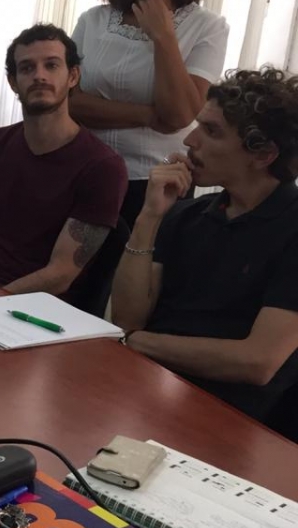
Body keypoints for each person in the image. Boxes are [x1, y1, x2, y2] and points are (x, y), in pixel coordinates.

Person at [111, 67, 298, 437]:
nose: (191, 140)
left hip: (231, 421)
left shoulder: (291, 228)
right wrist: (149, 217)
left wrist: (136, 342)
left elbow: (258, 362)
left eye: (211, 131)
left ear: (263, 153)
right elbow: (126, 315)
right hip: (148, 387)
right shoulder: (188, 213)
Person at [0, 25, 128, 300]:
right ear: (13, 82)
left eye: (51, 65)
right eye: (27, 68)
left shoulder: (103, 167)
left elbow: (60, 275)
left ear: (73, 76)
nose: (39, 76)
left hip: (38, 310)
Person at [70, 0, 229, 226]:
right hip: (84, 169)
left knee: (136, 270)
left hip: (157, 179)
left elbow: (181, 115)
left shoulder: (207, 27)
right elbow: (69, 103)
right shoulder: (94, 20)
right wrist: (149, 115)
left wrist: (163, 36)